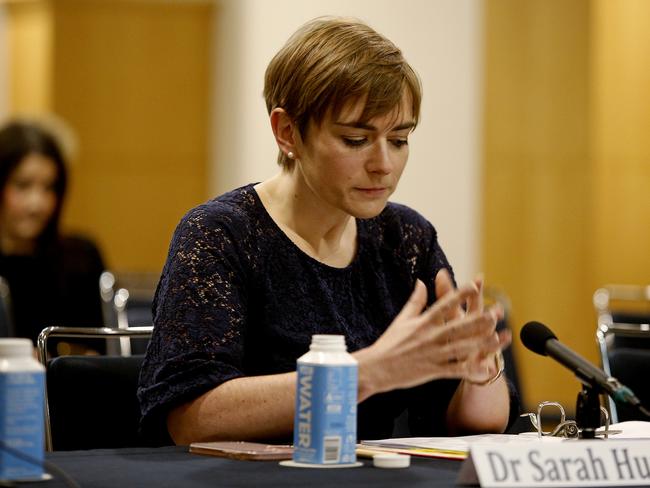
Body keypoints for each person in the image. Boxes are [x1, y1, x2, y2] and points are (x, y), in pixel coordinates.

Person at [138, 17, 517, 446]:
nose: (383, 164)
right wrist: (367, 373)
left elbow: (474, 426)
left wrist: (480, 367)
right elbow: (190, 419)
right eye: (356, 140)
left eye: (399, 139)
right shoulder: (220, 235)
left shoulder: (406, 239)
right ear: (288, 133)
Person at [0, 120, 105, 353]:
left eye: (49, 188)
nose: (36, 204)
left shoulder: (80, 259)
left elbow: (98, 353)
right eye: (23, 185)